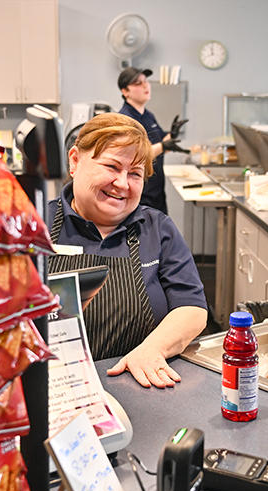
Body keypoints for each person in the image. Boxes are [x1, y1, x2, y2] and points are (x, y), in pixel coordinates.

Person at [48, 113, 208, 388]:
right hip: (57, 392)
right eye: (112, 166)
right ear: (75, 160)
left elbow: (192, 308)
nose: (123, 184)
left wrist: (153, 349)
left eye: (135, 173)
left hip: (143, 385)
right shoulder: (33, 225)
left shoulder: (158, 229)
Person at [116, 67, 187, 214]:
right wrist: (162, 145)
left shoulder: (148, 116)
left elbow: (162, 147)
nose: (145, 85)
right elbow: (134, 156)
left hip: (157, 192)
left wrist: (172, 137)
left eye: (145, 81)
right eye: (137, 83)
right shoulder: (125, 119)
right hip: (139, 194)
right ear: (125, 92)